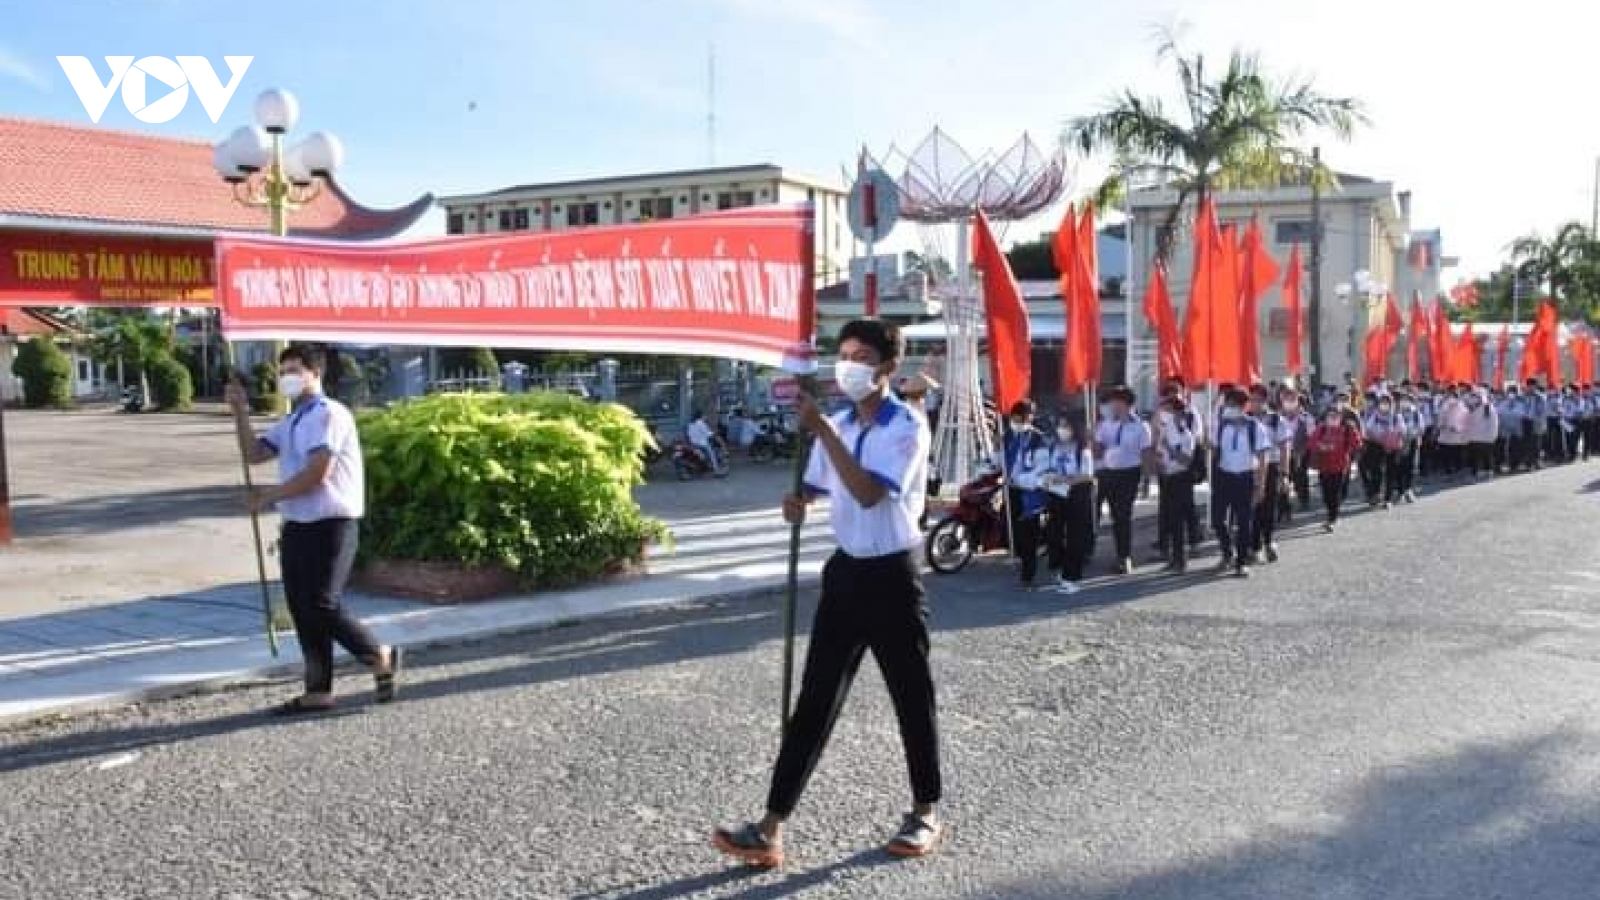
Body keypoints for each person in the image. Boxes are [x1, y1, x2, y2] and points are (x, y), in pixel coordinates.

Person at [713, 319, 942, 868]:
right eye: (843, 354)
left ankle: (926, 810)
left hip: (893, 575)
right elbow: (815, 488)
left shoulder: (905, 426)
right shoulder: (835, 422)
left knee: (910, 696)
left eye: (862, 355)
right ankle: (769, 827)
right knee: (814, 702)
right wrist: (798, 503)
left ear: (887, 367)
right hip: (845, 575)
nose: (849, 365)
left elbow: (866, 494)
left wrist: (823, 431)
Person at [224, 345, 402, 714]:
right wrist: (239, 411)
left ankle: (378, 654)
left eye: (294, 370)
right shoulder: (291, 421)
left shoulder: (328, 414)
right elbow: (254, 453)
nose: (286, 377)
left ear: (315, 373)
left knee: (323, 603)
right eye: (283, 370)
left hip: (331, 523)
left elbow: (318, 473)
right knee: (302, 608)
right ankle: (318, 689)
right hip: (298, 525)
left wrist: (269, 496)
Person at [1093, 386, 1153, 575]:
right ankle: (1085, 549)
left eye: (1116, 402)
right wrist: (1092, 441)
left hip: (1129, 474)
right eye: (1111, 402)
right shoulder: (1105, 424)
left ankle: (1123, 556)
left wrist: (1147, 478)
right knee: (1099, 512)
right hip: (1107, 473)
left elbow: (1146, 453)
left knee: (1122, 516)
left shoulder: (1141, 426)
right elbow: (1098, 451)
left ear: (1126, 404)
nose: (1112, 406)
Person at [1211, 388, 1270, 578]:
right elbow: (1212, 447)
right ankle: (1227, 552)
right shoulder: (1220, 426)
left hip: (1245, 478)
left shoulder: (1254, 427)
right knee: (1217, 520)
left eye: (1233, 404)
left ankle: (1241, 562)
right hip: (1223, 478)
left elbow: (1263, 458)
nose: (1229, 407)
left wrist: (1260, 486)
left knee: (1244, 523)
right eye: (1227, 404)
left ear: (1243, 406)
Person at [1040, 415, 1095, 594]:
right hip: (1057, 495)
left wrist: (1064, 479)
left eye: (1065, 425)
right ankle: (1061, 568)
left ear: (1074, 428)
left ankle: (1072, 577)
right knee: (1054, 533)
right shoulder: (1055, 447)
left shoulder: (1082, 450)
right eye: (1060, 425)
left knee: (1074, 538)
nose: (1061, 429)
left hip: (1077, 496)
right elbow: (1051, 467)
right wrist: (1048, 478)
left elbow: (1086, 475)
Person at [1003, 400, 1048, 589]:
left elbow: (1041, 469)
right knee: (1014, 531)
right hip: (1011, 491)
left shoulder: (1038, 439)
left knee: (1028, 534)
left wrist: (1021, 480)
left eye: (1020, 418)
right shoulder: (1007, 436)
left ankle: (1028, 576)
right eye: (1013, 418)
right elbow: (1001, 461)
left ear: (1029, 418)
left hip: (1031, 493)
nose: (1016, 421)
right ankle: (1022, 559)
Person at [1152, 395, 1197, 574]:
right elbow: (1159, 453)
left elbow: (1186, 461)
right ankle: (1174, 558)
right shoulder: (1165, 431)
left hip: (1181, 479)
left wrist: (1169, 448)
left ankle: (1181, 560)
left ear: (1178, 414)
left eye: (1168, 410)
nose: (1164, 414)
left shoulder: (1186, 435)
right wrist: (1158, 461)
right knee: (1170, 520)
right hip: (1167, 478)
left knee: (1179, 521)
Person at [1309, 405, 1362, 531]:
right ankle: (1330, 513)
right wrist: (1321, 446)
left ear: (1341, 417)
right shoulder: (1321, 428)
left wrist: (1352, 434)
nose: (1333, 418)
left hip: (1340, 466)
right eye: (1330, 415)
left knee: (1335, 493)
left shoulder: (1347, 428)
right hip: (1323, 466)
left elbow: (1357, 443)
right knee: (1326, 493)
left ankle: (1332, 518)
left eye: (1336, 415)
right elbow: (1311, 443)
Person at [686, 410, 727, 475]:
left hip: (693, 443)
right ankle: (716, 469)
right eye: (704, 415)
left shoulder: (690, 423)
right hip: (702, 444)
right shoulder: (700, 423)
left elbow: (689, 434)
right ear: (701, 416)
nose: (706, 416)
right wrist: (715, 434)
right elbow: (708, 433)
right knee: (712, 454)